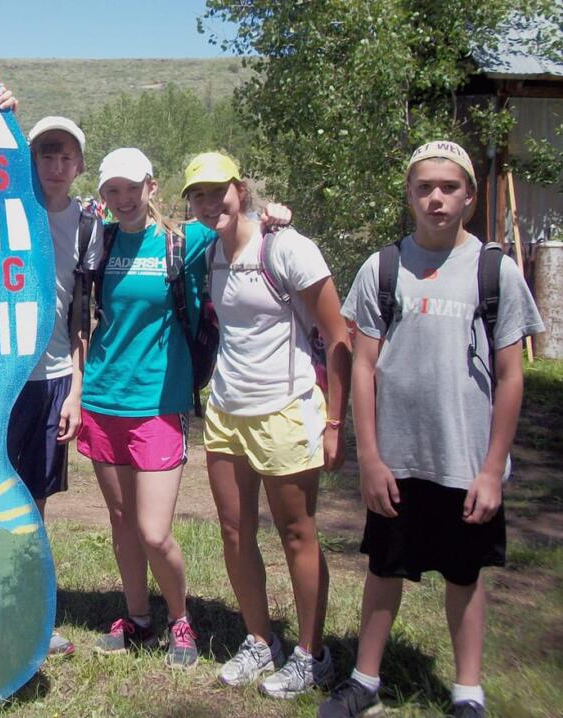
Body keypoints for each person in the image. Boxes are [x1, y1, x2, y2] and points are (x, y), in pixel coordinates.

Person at [319, 141, 543, 718]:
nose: (436, 198)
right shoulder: (383, 267)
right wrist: (368, 457)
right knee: (383, 567)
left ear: (469, 195)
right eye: (425, 188)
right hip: (397, 459)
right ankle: (364, 680)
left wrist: (493, 470)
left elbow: (512, 375)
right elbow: (362, 365)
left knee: (464, 575)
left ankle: (468, 692)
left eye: (448, 187)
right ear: (410, 195)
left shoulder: (496, 271)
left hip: (467, 462)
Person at [81, 148, 287, 668]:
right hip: (103, 398)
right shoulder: (97, 242)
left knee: (154, 530)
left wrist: (273, 217)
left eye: (133, 188)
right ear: (104, 197)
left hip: (159, 401)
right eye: (113, 191)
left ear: (152, 188)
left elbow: (237, 227)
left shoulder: (183, 241)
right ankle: (136, 617)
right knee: (122, 520)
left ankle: (178, 618)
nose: (124, 199)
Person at [182, 151, 350, 698]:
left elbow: (338, 334)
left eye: (218, 192)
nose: (210, 204)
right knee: (235, 531)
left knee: (297, 533)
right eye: (198, 196)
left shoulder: (288, 246)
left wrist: (335, 421)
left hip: (286, 409)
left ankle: (311, 654)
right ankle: (260, 640)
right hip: (226, 411)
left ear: (241, 187)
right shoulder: (206, 251)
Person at [7, 116, 102, 658]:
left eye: (66, 156)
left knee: (35, 500)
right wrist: (3, 115)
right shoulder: (9, 206)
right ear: (31, 159)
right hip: (1, 382)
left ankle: (31, 617)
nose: (57, 165)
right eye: (46, 154)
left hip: (53, 379)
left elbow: (81, 315)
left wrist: (75, 389)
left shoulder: (88, 226)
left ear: (79, 165)